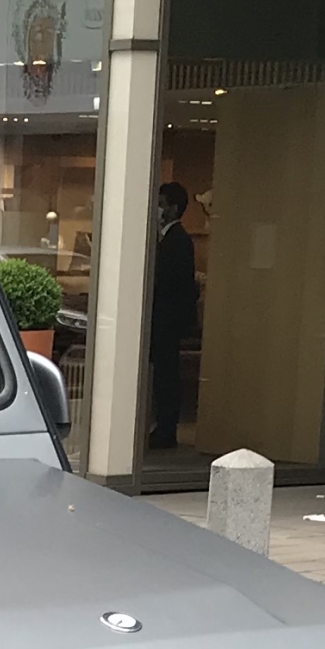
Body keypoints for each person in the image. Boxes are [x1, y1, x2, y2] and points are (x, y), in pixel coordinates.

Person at [148, 181, 198, 451]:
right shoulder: (166, 238)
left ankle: (166, 429)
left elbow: (174, 284)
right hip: (164, 320)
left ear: (173, 208)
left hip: (168, 321)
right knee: (161, 376)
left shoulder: (177, 240)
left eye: (161, 204)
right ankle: (162, 426)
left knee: (166, 376)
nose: (157, 208)